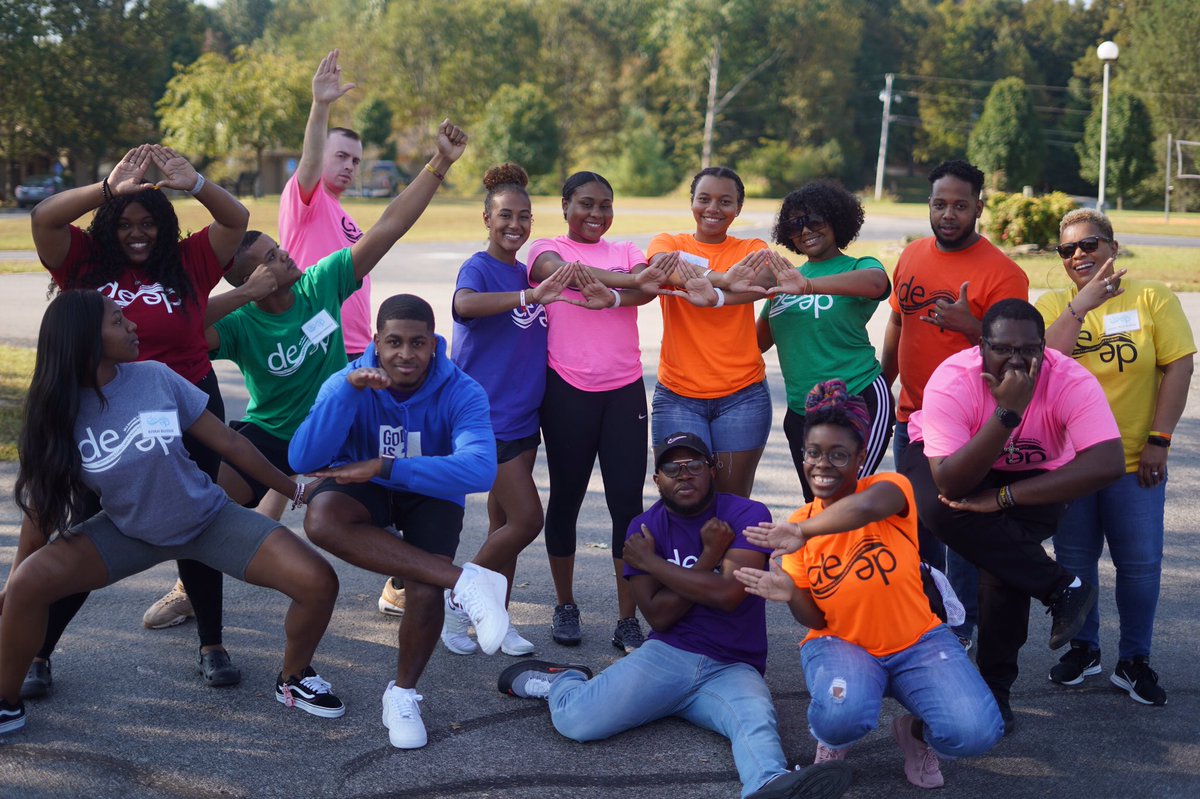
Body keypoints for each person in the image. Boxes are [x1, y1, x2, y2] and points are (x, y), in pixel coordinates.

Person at [0, 291, 342, 735]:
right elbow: (40, 513)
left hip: (208, 519)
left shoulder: (155, 377)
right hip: (128, 532)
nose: (133, 326)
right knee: (28, 584)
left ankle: (294, 679)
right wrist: (12, 592)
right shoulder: (56, 413)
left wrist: (294, 488)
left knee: (319, 581)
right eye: (118, 321)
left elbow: (231, 443)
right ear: (85, 339)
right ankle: (6, 704)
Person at [201, 118, 467, 624]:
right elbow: (181, 331)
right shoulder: (239, 321)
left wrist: (439, 164)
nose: (286, 252)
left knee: (405, 484)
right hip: (274, 431)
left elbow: (390, 225)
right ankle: (197, 603)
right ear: (253, 276)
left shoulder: (318, 283)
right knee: (207, 511)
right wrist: (245, 295)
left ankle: (406, 580)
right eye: (273, 257)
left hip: (338, 428)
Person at [496, 432, 853, 799]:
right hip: (669, 655)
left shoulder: (747, 514)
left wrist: (654, 564)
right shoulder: (643, 531)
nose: (684, 475)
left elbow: (729, 595)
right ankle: (563, 682)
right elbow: (660, 617)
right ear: (657, 479)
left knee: (755, 721)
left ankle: (767, 783)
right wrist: (710, 557)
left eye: (694, 465)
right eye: (672, 467)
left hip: (734, 665)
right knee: (576, 721)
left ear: (712, 470)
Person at [26, 143, 250, 696]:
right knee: (85, 525)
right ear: (109, 226)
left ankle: (212, 645)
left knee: (196, 516)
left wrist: (195, 183)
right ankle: (38, 652)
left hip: (189, 405)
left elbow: (236, 219)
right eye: (125, 223)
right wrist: (107, 188)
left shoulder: (192, 261)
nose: (137, 233)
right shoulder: (81, 261)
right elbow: (43, 217)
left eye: (148, 222)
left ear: (164, 226)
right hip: (105, 412)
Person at [734, 381, 1002, 790]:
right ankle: (834, 740)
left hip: (919, 641)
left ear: (861, 457)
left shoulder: (888, 489)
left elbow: (862, 509)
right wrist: (791, 593)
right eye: (814, 453)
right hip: (843, 645)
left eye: (839, 455)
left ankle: (913, 733)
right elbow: (816, 617)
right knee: (842, 716)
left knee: (976, 732)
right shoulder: (798, 526)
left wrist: (803, 532)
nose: (822, 465)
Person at [290, 293, 510, 750]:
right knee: (322, 516)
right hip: (367, 489)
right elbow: (303, 457)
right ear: (376, 340)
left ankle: (403, 693)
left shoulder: (461, 389)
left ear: (434, 344)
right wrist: (346, 390)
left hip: (427, 488)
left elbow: (480, 469)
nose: (405, 354)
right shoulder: (349, 379)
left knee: (425, 586)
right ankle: (466, 583)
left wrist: (384, 467)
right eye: (394, 342)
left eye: (417, 343)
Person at [898, 298, 1126, 731]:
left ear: (1045, 347)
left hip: (1032, 477)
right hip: (947, 460)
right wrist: (1008, 413)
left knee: (1005, 571)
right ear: (981, 346)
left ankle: (995, 693)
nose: (1017, 360)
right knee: (937, 508)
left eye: (1030, 349)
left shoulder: (1069, 379)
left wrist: (1003, 497)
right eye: (1003, 349)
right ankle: (1061, 587)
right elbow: (949, 483)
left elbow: (1108, 463)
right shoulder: (953, 378)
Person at [1035, 209, 1195, 705]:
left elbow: (1179, 367)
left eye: (1089, 245)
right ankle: (1085, 650)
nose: (1079, 256)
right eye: (1068, 250)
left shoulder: (1152, 298)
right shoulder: (1053, 304)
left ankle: (1134, 660)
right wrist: (1080, 307)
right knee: (1076, 562)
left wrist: (1159, 439)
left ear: (1112, 247)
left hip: (1134, 461)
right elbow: (1045, 367)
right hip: (1072, 465)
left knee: (1140, 565)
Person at [880, 159, 1029, 648]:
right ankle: (929, 616)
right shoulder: (912, 255)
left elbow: (1016, 358)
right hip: (912, 418)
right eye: (940, 204)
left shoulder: (1004, 274)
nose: (949, 214)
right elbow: (899, 323)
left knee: (964, 533)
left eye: (960, 205)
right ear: (929, 204)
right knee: (919, 529)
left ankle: (964, 630)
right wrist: (885, 383)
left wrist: (972, 327)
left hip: (971, 427)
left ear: (979, 208)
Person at [440, 163, 582, 657]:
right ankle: (458, 596)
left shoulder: (527, 270)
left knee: (504, 526)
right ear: (486, 218)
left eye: (524, 216)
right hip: (486, 418)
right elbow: (463, 306)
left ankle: (494, 618)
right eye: (504, 215)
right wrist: (528, 296)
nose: (515, 224)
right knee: (527, 520)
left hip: (525, 420)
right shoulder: (480, 269)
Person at [527, 171, 657, 653]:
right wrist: (628, 283)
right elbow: (555, 272)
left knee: (628, 506)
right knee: (566, 499)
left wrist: (619, 296)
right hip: (567, 390)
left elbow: (648, 287)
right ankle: (566, 604)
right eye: (585, 204)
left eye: (605, 205)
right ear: (564, 205)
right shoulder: (544, 245)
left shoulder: (624, 248)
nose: (596, 215)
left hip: (623, 392)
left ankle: (628, 618)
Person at [757, 181, 893, 502]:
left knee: (846, 496)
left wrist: (807, 286)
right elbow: (754, 343)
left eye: (815, 220)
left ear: (836, 220)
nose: (805, 231)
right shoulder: (786, 281)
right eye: (794, 224)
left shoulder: (858, 266)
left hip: (859, 398)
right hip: (801, 409)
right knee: (816, 501)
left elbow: (878, 283)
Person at [645, 167, 774, 498]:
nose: (713, 209)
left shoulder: (751, 246)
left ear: (738, 209)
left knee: (731, 502)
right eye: (704, 199)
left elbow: (766, 279)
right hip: (678, 396)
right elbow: (664, 267)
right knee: (684, 499)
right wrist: (726, 279)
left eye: (725, 201)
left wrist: (714, 292)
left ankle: (730, 553)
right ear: (692, 202)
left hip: (742, 396)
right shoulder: (669, 241)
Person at [280, 48, 371, 359]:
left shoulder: (343, 215)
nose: (349, 166)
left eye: (356, 160)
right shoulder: (306, 199)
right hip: (319, 347)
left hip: (357, 348)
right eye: (341, 156)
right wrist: (320, 106)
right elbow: (310, 158)